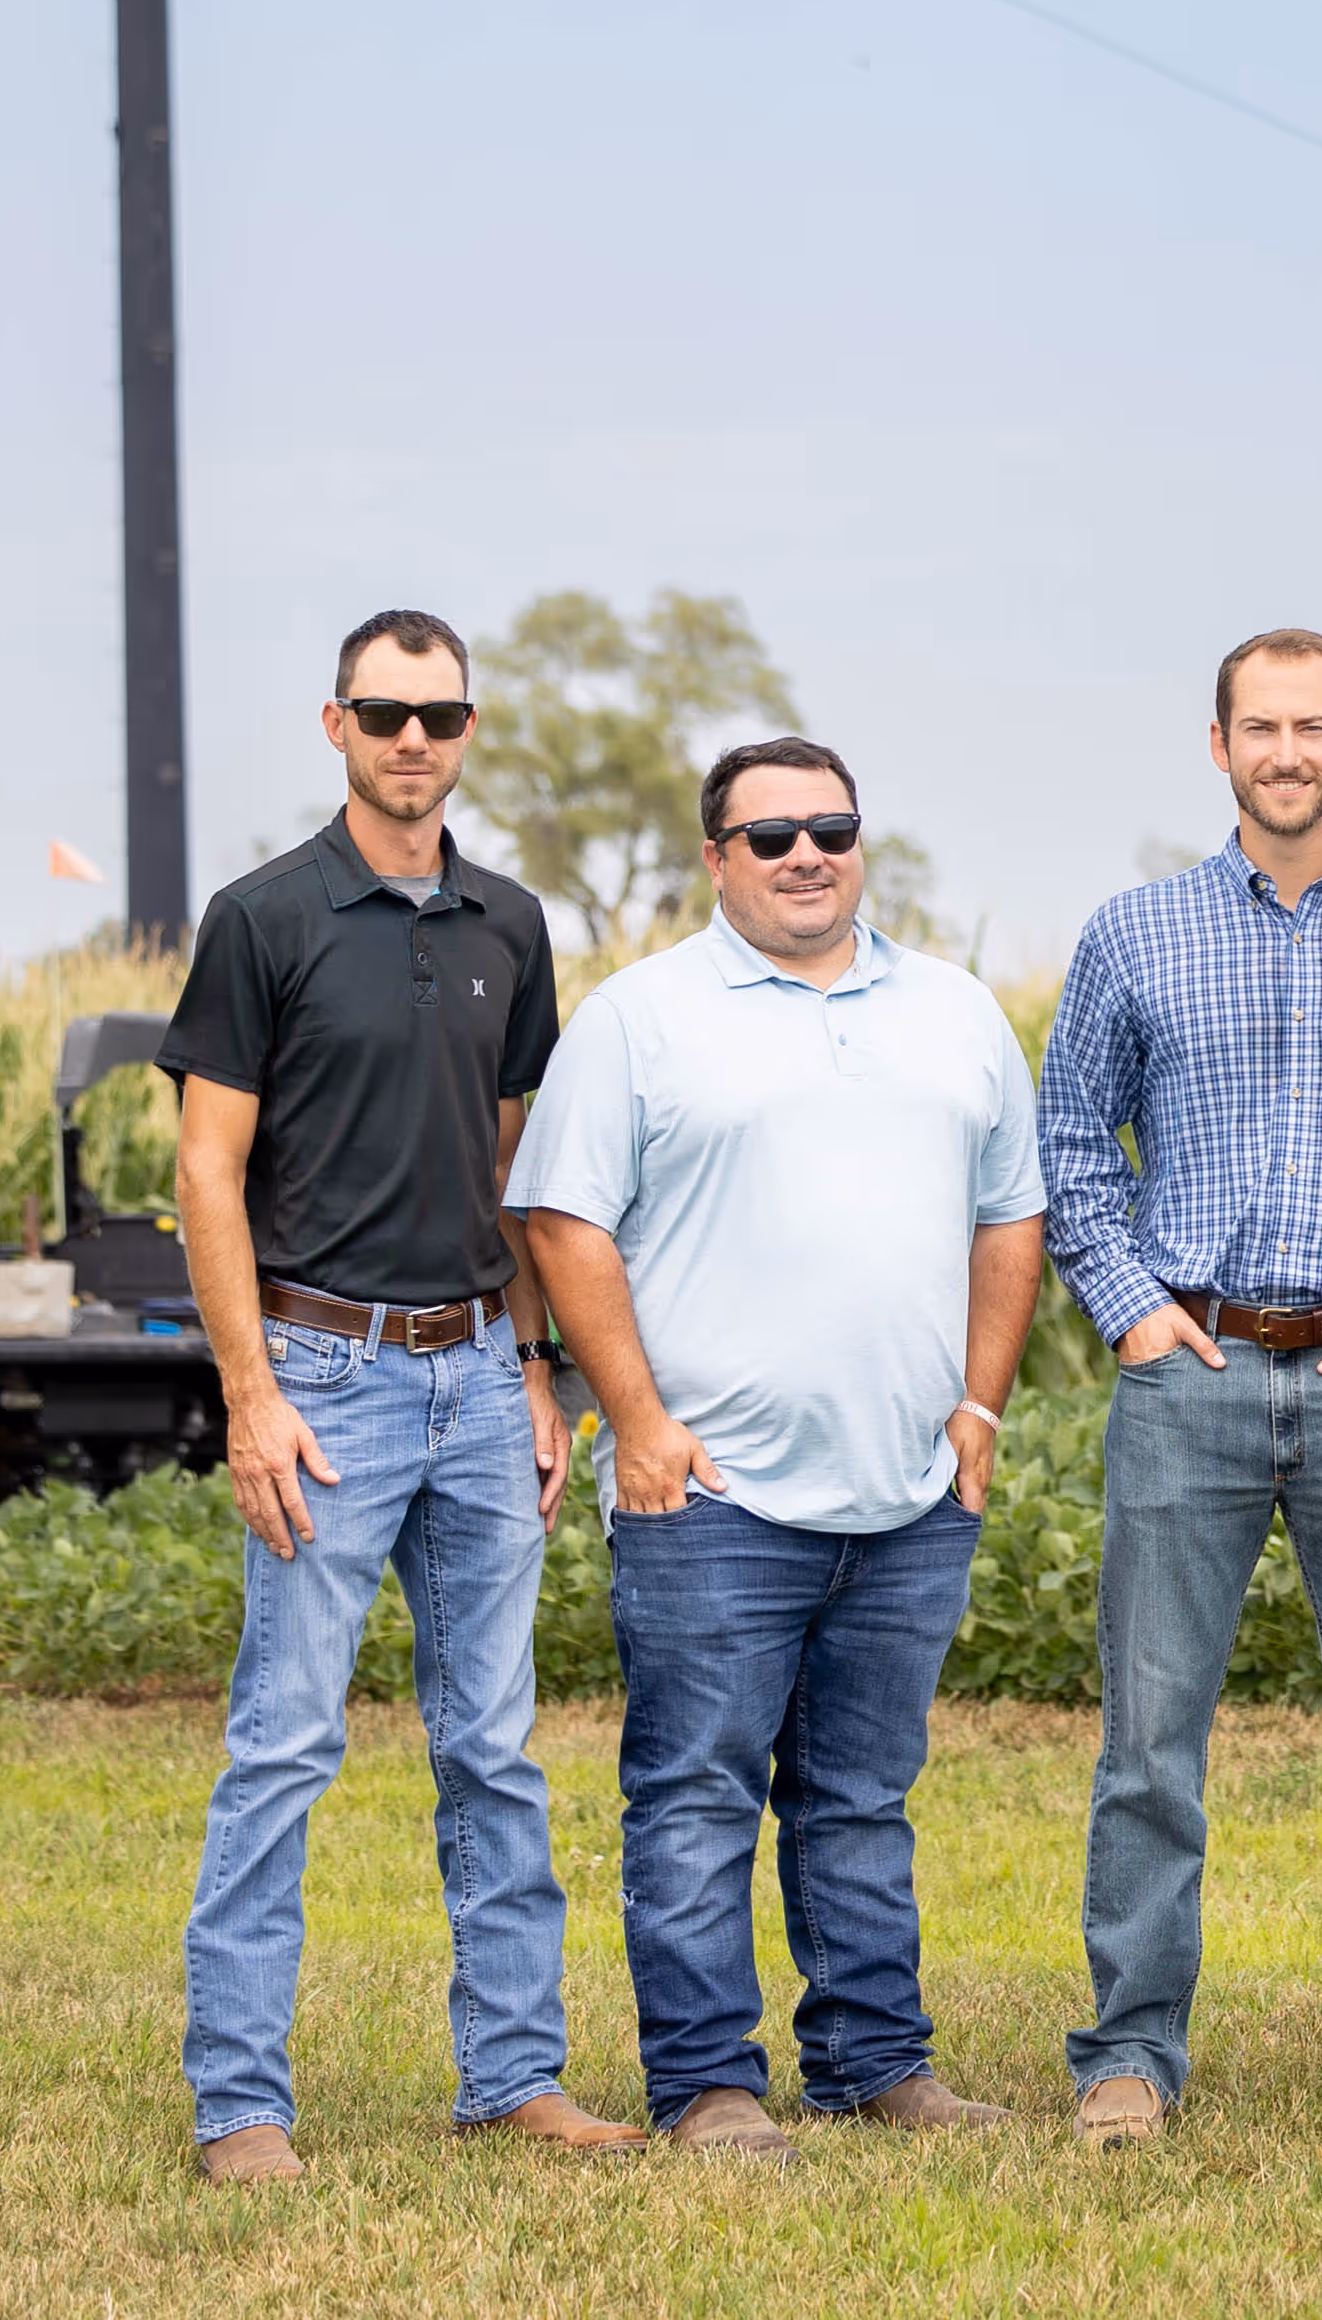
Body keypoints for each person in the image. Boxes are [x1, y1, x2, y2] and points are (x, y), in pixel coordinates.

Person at [509, 738, 1050, 2161]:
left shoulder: (953, 1011)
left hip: (909, 1491)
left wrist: (979, 1408)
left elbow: (1011, 1214)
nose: (805, 854)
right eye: (769, 836)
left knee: (861, 1798)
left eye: (831, 828)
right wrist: (638, 1422)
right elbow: (561, 1220)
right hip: (712, 1494)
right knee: (695, 1799)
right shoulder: (641, 1017)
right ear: (716, 859)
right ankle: (707, 2084)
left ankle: (874, 2062)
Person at [160, 607, 633, 2182]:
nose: (411, 738)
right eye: (382, 713)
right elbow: (207, 1170)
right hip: (323, 1375)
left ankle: (513, 2077)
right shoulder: (263, 918)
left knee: (493, 1745)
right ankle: (241, 2103)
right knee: (285, 1744)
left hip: (480, 1378)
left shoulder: (512, 922)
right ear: (337, 726)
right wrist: (250, 1394)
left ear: (468, 730)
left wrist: (537, 1367)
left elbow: (512, 1170)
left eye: (436, 714)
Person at [1036, 628, 1322, 2147]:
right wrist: (1132, 1312)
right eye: (1261, 727)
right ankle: (1128, 2052)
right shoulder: (1134, 933)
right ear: (1219, 744)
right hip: (1193, 1373)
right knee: (1150, 1735)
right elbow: (1070, 1143)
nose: (1287, 752)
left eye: (1313, 727)